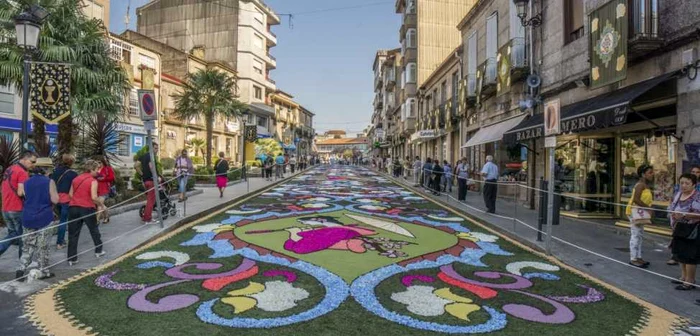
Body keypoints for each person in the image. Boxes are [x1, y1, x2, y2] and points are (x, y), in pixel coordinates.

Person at [16, 165, 59, 281]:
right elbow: (55, 199)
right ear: (46, 171)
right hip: (44, 217)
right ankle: (43, 270)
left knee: (27, 245)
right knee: (43, 246)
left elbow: (23, 195)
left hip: (28, 217)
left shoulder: (26, 182)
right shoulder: (49, 182)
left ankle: (21, 269)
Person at [67, 159, 105, 266]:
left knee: (73, 234)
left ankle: (72, 258)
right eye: (97, 169)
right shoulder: (93, 181)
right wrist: (101, 204)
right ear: (91, 169)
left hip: (73, 207)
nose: (98, 172)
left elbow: (70, 195)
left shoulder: (75, 179)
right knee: (94, 230)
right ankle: (98, 250)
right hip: (87, 208)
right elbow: (94, 197)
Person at [0, 151, 37, 260]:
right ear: (25, 159)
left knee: (13, 235)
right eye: (32, 162)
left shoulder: (9, 169)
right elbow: (21, 192)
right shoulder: (22, 172)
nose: (33, 165)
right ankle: (24, 262)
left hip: (6, 208)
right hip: (17, 208)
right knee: (23, 237)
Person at [668, 173, 700, 290]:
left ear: (694, 185)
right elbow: (671, 207)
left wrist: (684, 215)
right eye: (682, 183)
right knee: (680, 254)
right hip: (679, 228)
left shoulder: (697, 196)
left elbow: (698, 215)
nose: (684, 185)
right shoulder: (678, 194)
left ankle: (690, 281)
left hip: (692, 230)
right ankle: (683, 276)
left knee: (690, 256)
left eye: (687, 183)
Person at [626, 164, 654, 268]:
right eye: (650, 173)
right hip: (634, 212)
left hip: (641, 212)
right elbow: (636, 199)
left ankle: (638, 256)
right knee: (635, 235)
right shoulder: (640, 185)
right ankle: (633, 258)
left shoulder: (645, 185)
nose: (652, 175)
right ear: (643, 174)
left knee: (640, 235)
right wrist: (648, 208)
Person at [50, 154, 77, 250]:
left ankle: (61, 241)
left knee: (61, 220)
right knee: (63, 221)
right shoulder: (73, 174)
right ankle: (59, 243)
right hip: (66, 200)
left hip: (56, 199)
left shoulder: (56, 171)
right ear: (72, 162)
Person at [137, 142, 159, 224]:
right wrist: (156, 177)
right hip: (151, 180)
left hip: (145, 180)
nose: (157, 150)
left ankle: (146, 216)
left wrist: (142, 174)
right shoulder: (151, 156)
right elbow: (151, 167)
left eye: (157, 148)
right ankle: (147, 219)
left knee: (149, 199)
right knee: (151, 201)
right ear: (151, 148)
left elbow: (136, 165)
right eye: (156, 148)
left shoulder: (143, 156)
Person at [95, 156, 115, 224]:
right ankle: (106, 216)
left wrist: (103, 179)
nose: (98, 164)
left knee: (99, 204)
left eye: (99, 162)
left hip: (104, 188)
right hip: (95, 189)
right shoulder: (94, 169)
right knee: (101, 204)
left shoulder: (107, 169)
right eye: (96, 162)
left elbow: (112, 178)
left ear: (103, 162)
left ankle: (97, 220)